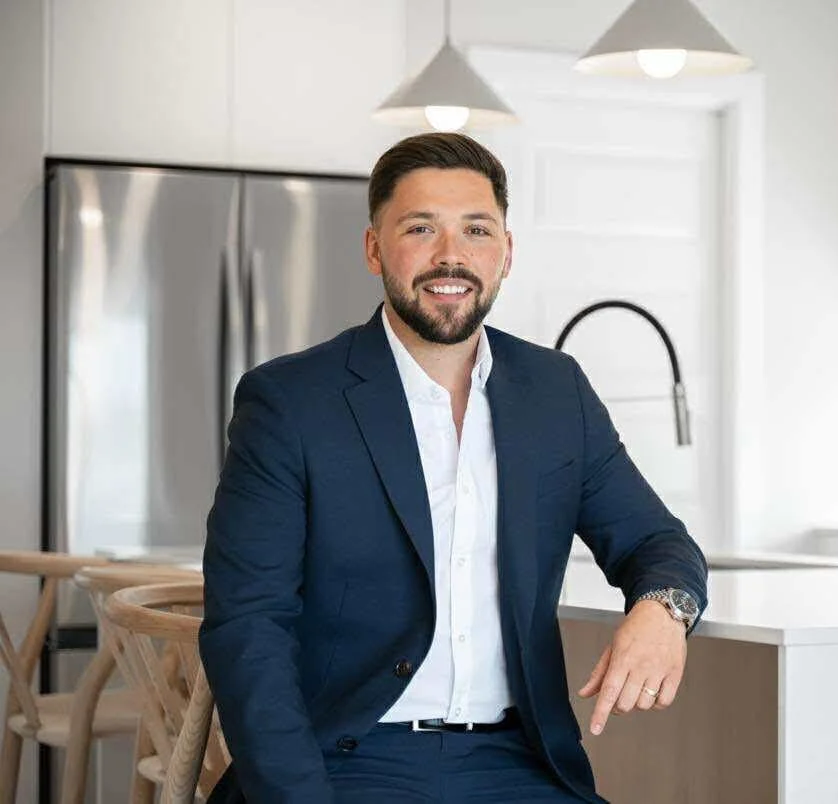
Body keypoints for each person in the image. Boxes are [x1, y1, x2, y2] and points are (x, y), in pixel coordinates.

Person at [200, 132, 708, 804]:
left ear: (506, 253)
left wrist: (664, 610)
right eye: (421, 228)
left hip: (517, 762)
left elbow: (656, 542)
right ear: (375, 248)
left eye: (476, 230)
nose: (452, 256)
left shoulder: (556, 392)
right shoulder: (291, 401)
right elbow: (249, 626)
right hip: (349, 759)